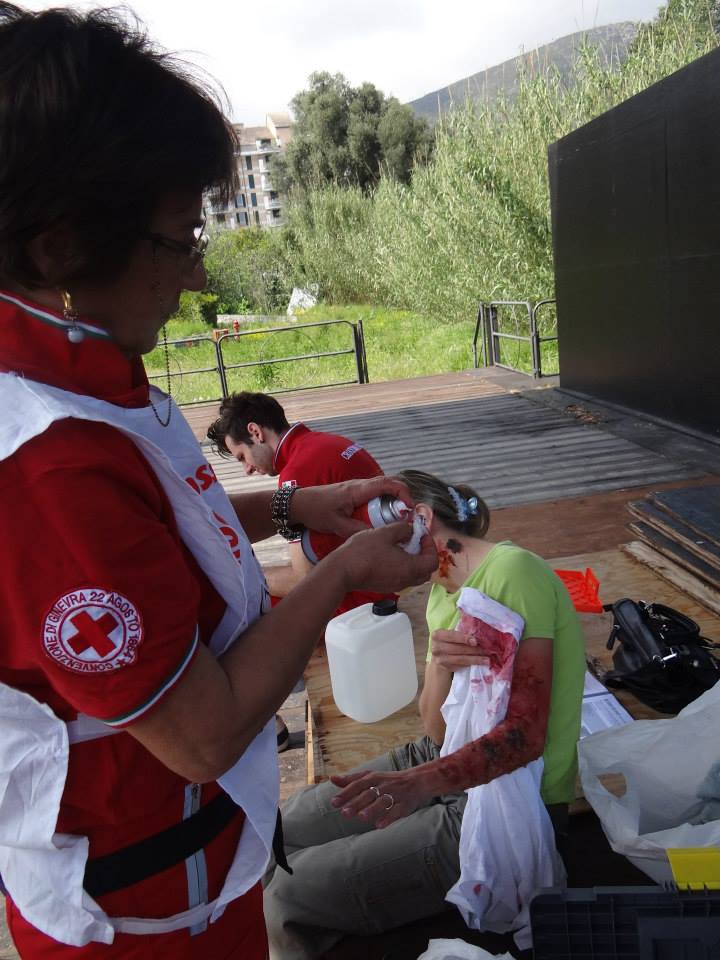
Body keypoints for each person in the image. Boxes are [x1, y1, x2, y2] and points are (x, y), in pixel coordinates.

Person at [0, 6, 436, 959]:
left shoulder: (68, 374)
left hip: (193, 864)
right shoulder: (44, 463)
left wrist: (293, 506)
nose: (199, 274)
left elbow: (145, 534)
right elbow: (202, 735)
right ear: (59, 248)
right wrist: (346, 573)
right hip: (148, 914)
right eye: (179, 239)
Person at [263, 469, 586, 960]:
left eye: (368, 539)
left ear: (419, 520)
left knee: (289, 896)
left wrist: (419, 784)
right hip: (446, 759)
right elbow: (436, 728)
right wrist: (437, 663)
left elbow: (523, 739)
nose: (363, 556)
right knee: (279, 833)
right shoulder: (441, 593)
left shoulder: (512, 572)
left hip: (511, 800)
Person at [207, 391, 388, 609]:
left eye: (242, 457)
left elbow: (306, 582)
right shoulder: (329, 441)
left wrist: (251, 576)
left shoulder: (295, 474)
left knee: (249, 603)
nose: (247, 470)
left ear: (255, 432)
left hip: (366, 599)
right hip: (386, 569)